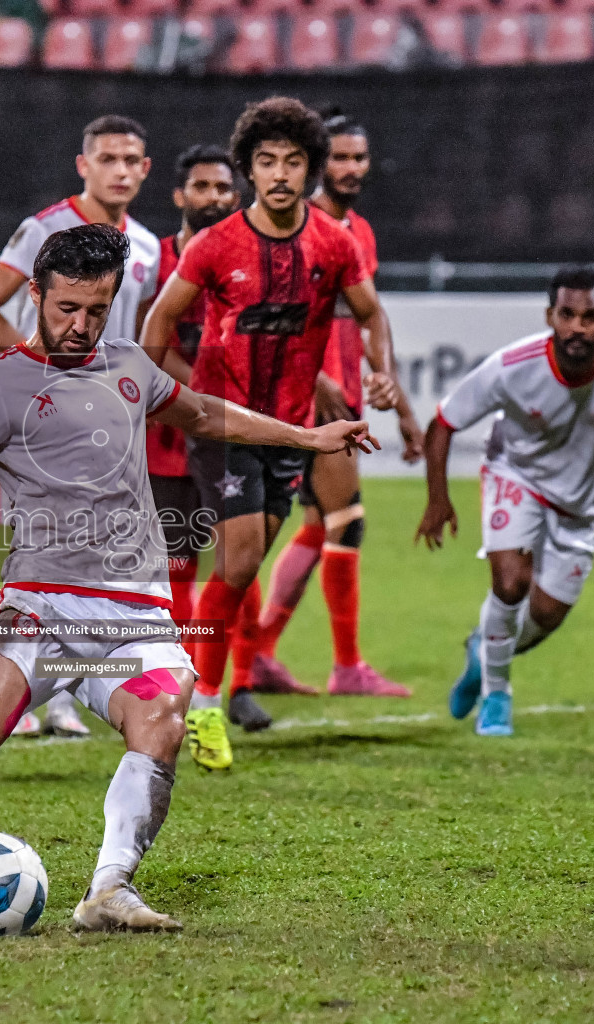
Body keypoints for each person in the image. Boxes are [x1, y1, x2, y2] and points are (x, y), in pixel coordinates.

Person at [0, 225, 377, 930]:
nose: (81, 325)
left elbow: (199, 412)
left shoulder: (129, 364)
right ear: (36, 294)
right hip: (38, 604)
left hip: (132, 608)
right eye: (67, 307)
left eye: (96, 310)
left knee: (162, 719)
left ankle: (110, 889)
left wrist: (305, 435)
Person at [141, 96, 391, 758]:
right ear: (251, 169)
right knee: (241, 557)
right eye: (266, 162)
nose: (279, 174)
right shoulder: (215, 245)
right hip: (222, 425)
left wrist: (383, 372)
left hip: (290, 430)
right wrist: (180, 397)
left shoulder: (333, 245)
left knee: (240, 572)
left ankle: (205, 691)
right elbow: (157, 327)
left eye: (293, 162)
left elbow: (372, 314)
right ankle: (206, 706)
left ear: (310, 168)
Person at [415, 266, 594, 737]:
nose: (577, 327)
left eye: (590, 316)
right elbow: (443, 424)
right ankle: (497, 695)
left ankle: (482, 651)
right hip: (515, 476)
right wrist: (438, 500)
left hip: (580, 503)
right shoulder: (513, 365)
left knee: (545, 615)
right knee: (510, 582)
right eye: (567, 315)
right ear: (549, 315)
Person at [0, 113, 161, 739]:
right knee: (35, 545)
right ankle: (5, 672)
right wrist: (41, 371)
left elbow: (141, 335)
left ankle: (65, 692)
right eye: (108, 159)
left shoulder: (149, 247)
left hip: (116, 423)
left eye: (132, 160)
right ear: (84, 165)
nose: (121, 171)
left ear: (145, 169)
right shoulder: (46, 229)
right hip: (49, 422)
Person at [249, 113, 425, 700]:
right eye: (340, 157)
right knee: (346, 519)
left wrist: (391, 388)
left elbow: (373, 314)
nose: (351, 168)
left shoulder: (359, 232)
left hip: (342, 393)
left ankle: (260, 652)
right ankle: (345, 666)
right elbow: (276, 317)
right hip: (305, 398)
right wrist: (318, 378)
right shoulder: (299, 228)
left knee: (318, 522)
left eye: (359, 157)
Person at [147, 144, 240, 630]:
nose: (213, 197)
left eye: (223, 187)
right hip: (168, 438)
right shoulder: (151, 263)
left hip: (231, 434)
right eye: (201, 186)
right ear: (179, 195)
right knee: (176, 564)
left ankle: (240, 684)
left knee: (239, 559)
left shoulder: (245, 264)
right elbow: (148, 346)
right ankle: (177, 677)